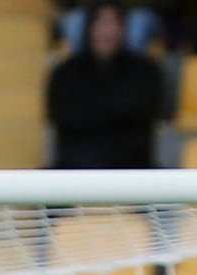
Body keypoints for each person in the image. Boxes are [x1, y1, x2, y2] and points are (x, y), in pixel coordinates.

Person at [47, 2, 164, 171]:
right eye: (101, 23)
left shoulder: (145, 71)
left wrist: (93, 109)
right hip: (75, 166)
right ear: (89, 28)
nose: (107, 31)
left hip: (133, 167)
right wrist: (115, 111)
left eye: (113, 23)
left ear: (124, 29)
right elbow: (61, 115)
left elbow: (145, 112)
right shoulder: (65, 73)